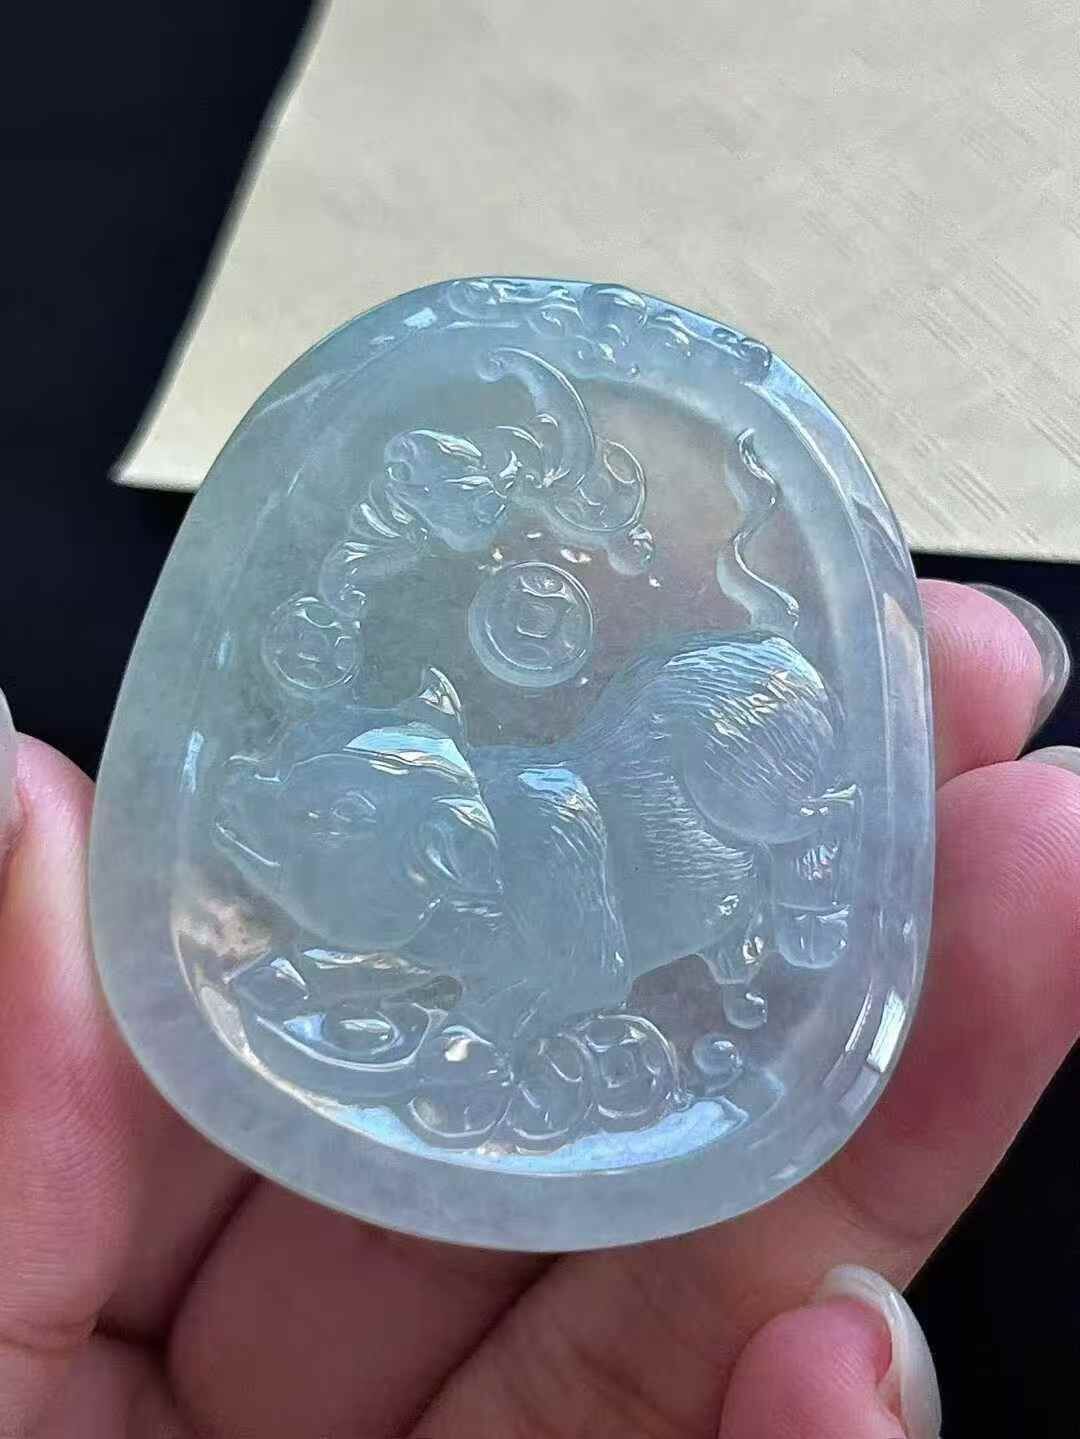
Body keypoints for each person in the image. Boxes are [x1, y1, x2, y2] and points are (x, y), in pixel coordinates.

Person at [0, 579, 1075, 1439]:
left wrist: (472, 1027)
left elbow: (588, 969)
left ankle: (805, 834)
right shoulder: (459, 858)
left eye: (330, 815)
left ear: (436, 846)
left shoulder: (536, 827)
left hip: (738, 741)